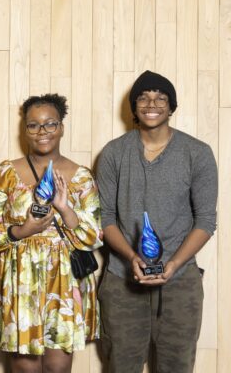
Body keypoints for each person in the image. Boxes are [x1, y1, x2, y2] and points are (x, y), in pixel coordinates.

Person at [96, 70, 218, 373]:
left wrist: (173, 264)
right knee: (121, 365)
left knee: (177, 366)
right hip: (123, 279)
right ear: (134, 106)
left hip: (179, 281)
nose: (152, 103)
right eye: (144, 97)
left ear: (171, 106)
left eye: (161, 97)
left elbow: (205, 220)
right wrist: (131, 257)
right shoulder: (113, 153)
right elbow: (106, 217)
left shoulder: (198, 153)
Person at [0, 94, 102, 372]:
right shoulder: (6, 173)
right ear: (24, 130)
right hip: (18, 277)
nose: (42, 132)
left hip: (64, 278)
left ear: (61, 128)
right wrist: (24, 230)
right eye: (33, 125)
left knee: (58, 367)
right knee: (25, 367)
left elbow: (94, 237)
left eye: (50, 124)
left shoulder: (81, 176)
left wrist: (65, 208)